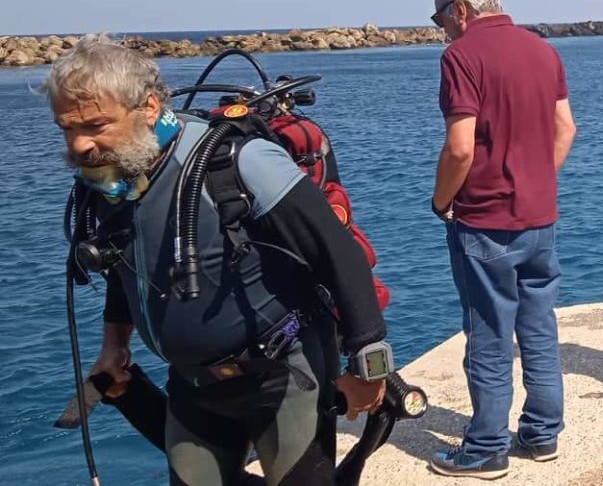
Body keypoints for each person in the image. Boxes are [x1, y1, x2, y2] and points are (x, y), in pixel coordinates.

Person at [48, 35, 389, 485]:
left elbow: (337, 252)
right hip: (193, 385)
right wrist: (114, 345)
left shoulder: (237, 162)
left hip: (284, 376)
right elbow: (126, 265)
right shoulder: (113, 178)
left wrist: (369, 364)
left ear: (149, 108)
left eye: (95, 125)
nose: (79, 145)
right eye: (67, 129)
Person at [428, 0, 578, 477]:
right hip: (539, 217)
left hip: (486, 220)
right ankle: (542, 432)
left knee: (489, 332)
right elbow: (566, 129)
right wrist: (535, 179)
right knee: (538, 325)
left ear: (460, 9)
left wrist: (441, 201)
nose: (441, 29)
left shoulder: (461, 56)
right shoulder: (542, 50)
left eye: (439, 19)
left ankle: (487, 446)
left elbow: (460, 147)